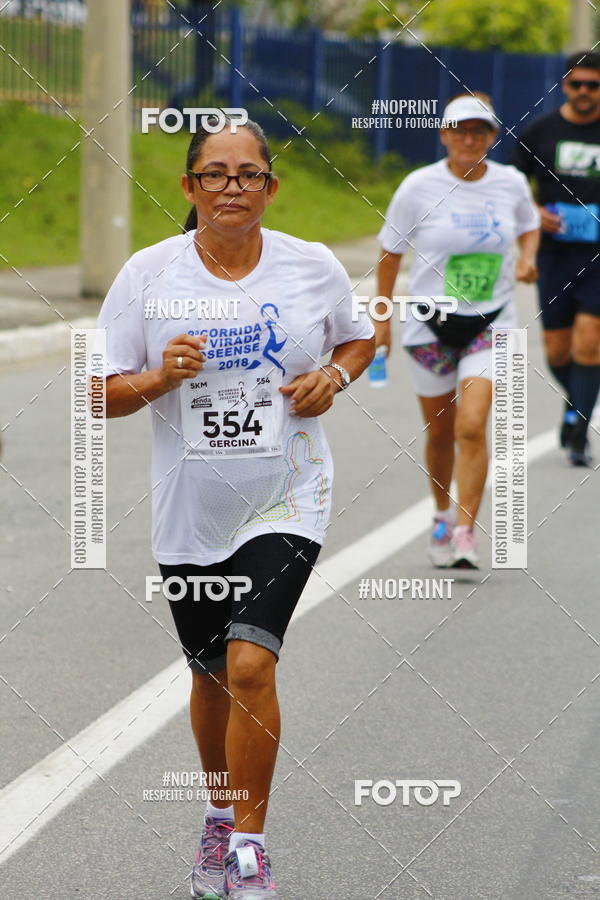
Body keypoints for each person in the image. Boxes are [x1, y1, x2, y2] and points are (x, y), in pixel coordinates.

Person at [96, 117, 374, 898]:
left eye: (248, 174)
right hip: (190, 513)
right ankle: (219, 818)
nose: (232, 188)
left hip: (288, 493)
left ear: (270, 188)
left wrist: (338, 379)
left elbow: (359, 340)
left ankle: (248, 849)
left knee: (252, 664)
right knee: (212, 672)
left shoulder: (311, 266)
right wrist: (157, 379)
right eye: (215, 174)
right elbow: (97, 392)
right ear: (188, 187)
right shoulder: (148, 276)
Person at [375, 93, 539, 569]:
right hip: (429, 325)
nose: (470, 139)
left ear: (492, 136)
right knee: (441, 431)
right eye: (460, 130)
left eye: (480, 131)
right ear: (444, 135)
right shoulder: (417, 187)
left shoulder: (510, 184)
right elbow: (390, 254)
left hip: (491, 321)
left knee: (471, 424)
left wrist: (527, 257)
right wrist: (382, 319)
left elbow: (529, 227)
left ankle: (466, 530)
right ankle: (442, 515)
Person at [512, 51, 600, 466]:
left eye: (593, 85)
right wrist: (533, 213)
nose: (584, 92)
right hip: (555, 256)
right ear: (564, 85)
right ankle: (576, 400)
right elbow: (509, 187)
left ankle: (579, 433)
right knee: (557, 350)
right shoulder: (539, 131)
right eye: (576, 84)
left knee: (589, 343)